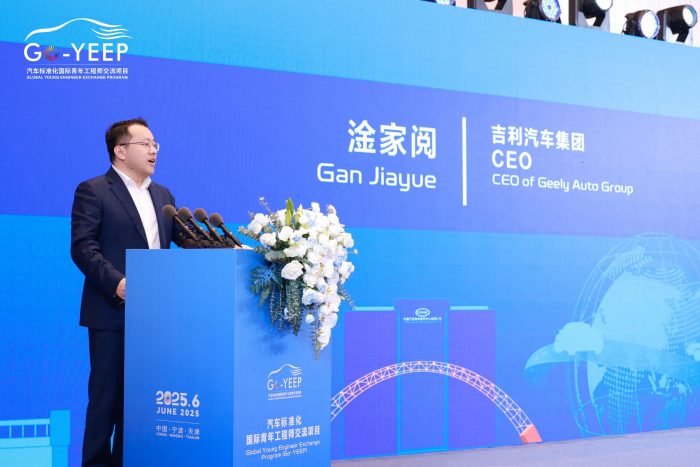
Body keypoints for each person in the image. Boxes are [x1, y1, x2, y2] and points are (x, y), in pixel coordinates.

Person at [71, 118, 178, 466]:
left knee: (139, 405)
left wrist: (227, 252)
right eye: (145, 144)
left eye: (155, 144)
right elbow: (83, 247)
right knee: (105, 401)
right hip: (112, 311)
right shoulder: (94, 190)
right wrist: (117, 282)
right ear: (120, 150)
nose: (153, 150)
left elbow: (184, 239)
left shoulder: (163, 196)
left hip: (154, 316)